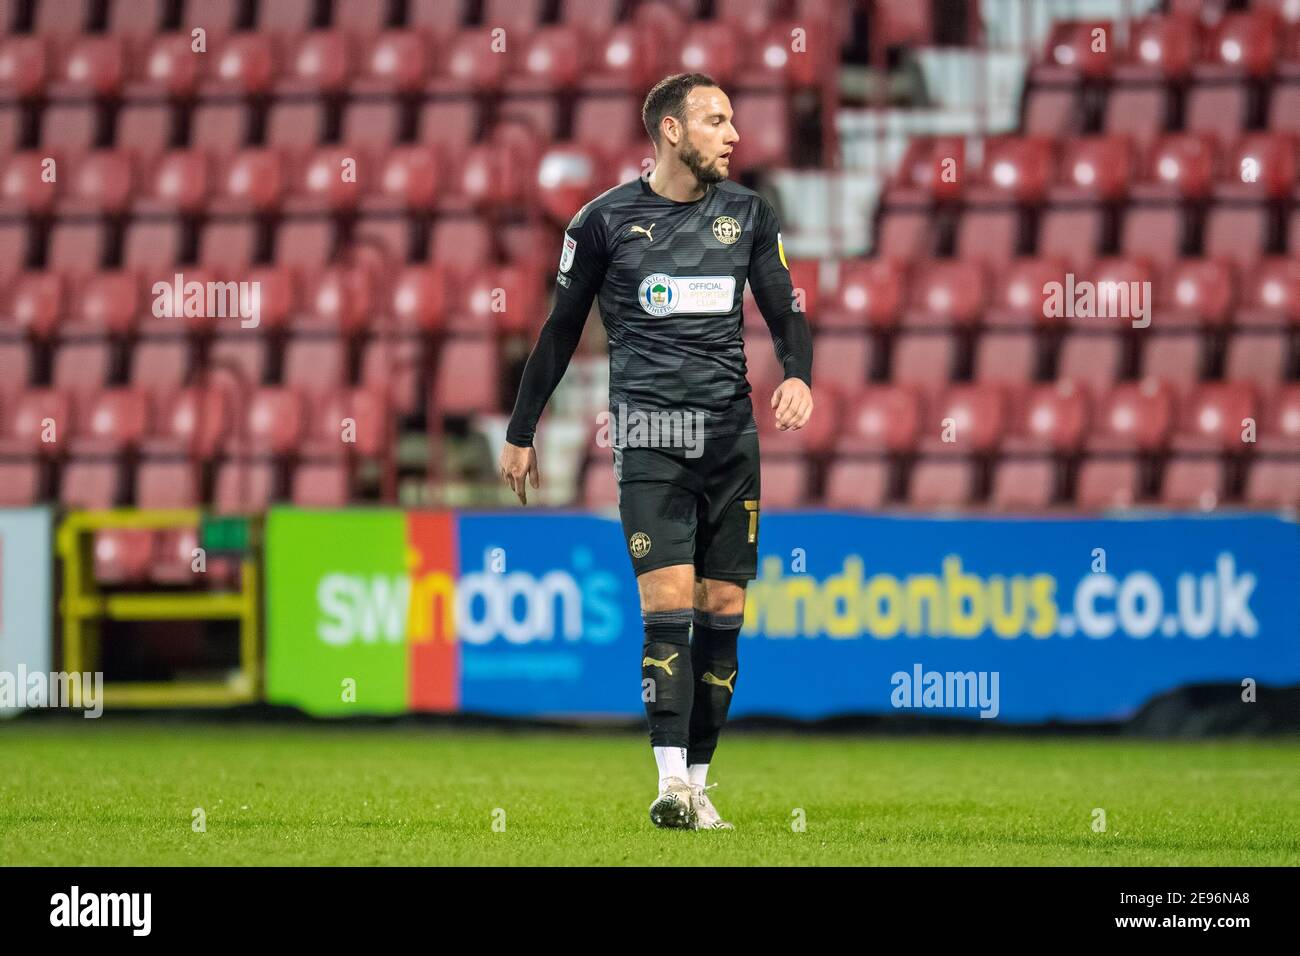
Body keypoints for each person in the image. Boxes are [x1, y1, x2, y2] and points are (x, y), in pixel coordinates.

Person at [499, 73, 814, 830]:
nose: (734, 134)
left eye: (733, 120)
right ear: (671, 131)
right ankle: (670, 782)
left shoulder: (749, 214)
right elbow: (559, 330)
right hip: (650, 437)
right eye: (716, 120)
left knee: (725, 608)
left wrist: (799, 374)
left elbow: (784, 308)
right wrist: (521, 428)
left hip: (730, 437)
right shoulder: (602, 222)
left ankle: (699, 782)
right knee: (666, 602)